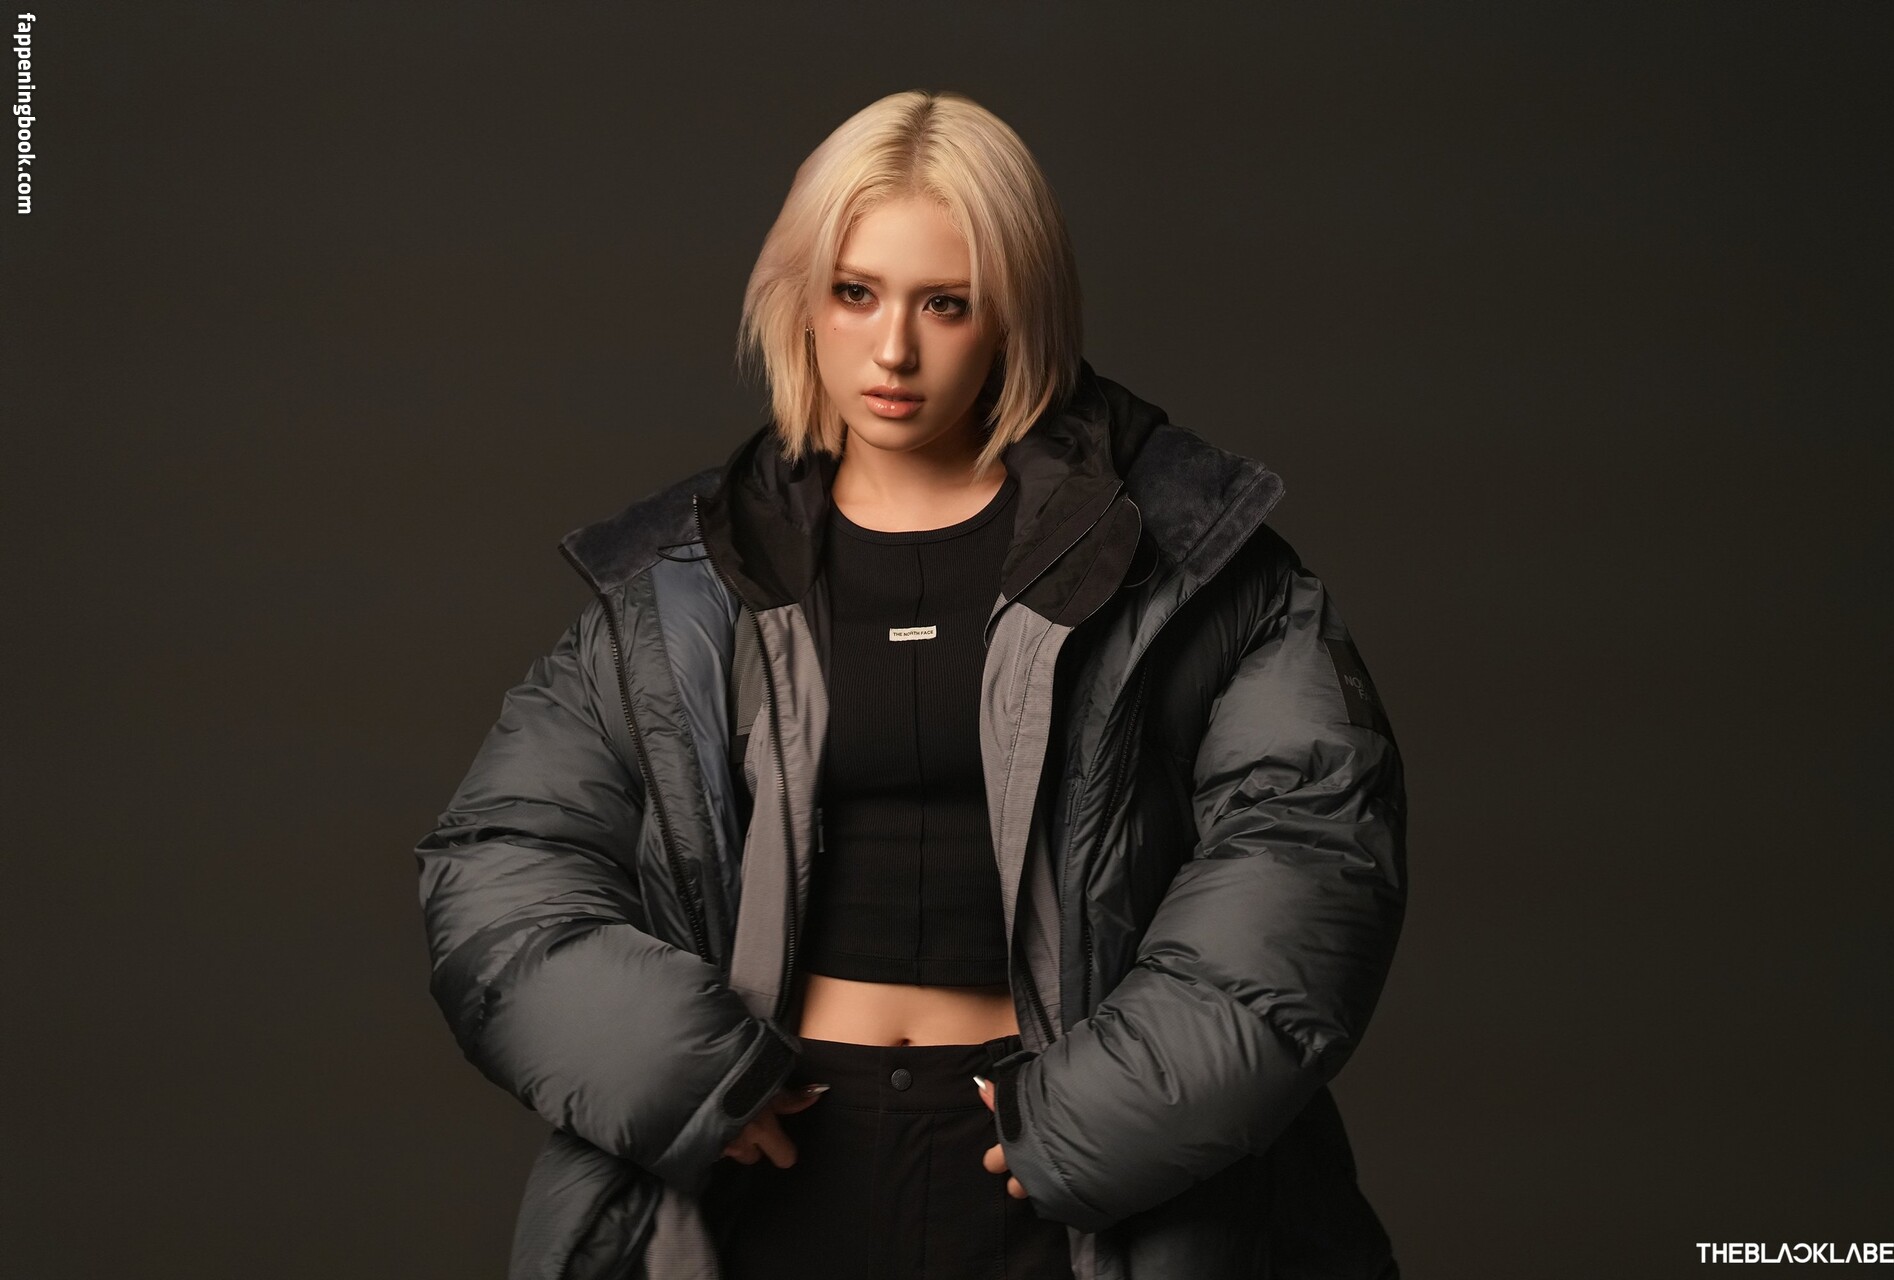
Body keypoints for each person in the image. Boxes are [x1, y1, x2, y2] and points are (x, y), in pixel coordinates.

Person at [415, 89, 1408, 1280]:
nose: (893, 350)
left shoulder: (1189, 557)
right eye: (856, 293)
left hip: (1079, 1192)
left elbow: (1314, 843)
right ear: (801, 300)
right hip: (763, 1177)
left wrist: (1098, 1118)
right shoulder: (686, 581)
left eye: (946, 302)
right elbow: (501, 860)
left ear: (1016, 314)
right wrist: (687, 1074)